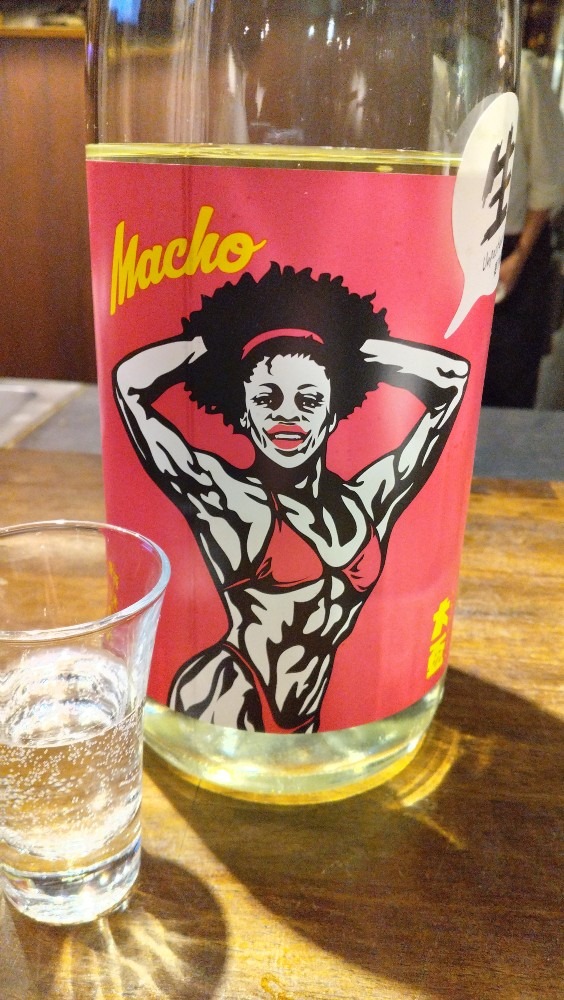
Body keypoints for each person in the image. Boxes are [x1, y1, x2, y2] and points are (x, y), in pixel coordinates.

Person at [114, 263, 469, 732]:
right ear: (243, 415)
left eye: (309, 400)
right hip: (233, 690)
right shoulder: (231, 500)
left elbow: (451, 381)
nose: (288, 415)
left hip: (309, 716)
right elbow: (130, 386)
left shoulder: (368, 500)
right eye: (266, 399)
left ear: (332, 414)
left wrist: (359, 349)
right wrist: (209, 344)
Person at [482, 48, 564, 408]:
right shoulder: (444, 62)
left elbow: (549, 175)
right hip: (463, 244)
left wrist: (520, 254)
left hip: (515, 246)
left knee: (507, 378)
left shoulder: (523, 68)